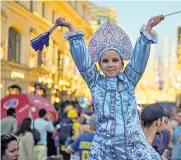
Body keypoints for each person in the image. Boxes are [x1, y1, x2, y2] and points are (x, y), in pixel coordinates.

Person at [55, 14, 164, 160]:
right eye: (105, 61)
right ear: (99, 65)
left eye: (115, 60)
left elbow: (139, 59)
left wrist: (149, 28)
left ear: (122, 64)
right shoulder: (95, 83)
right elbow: (82, 61)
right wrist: (70, 27)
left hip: (133, 146)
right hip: (104, 149)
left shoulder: (129, 80)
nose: (110, 64)